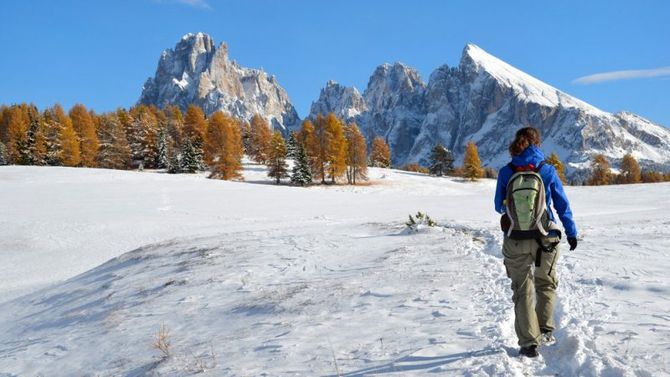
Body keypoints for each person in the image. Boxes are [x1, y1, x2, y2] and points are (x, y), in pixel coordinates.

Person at [494, 127, 578, 358]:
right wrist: (571, 232)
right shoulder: (547, 169)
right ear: (537, 143)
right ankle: (545, 329)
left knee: (522, 291)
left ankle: (529, 344)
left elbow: (497, 206)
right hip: (545, 237)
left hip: (515, 239)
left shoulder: (506, 171)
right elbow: (562, 205)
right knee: (546, 284)